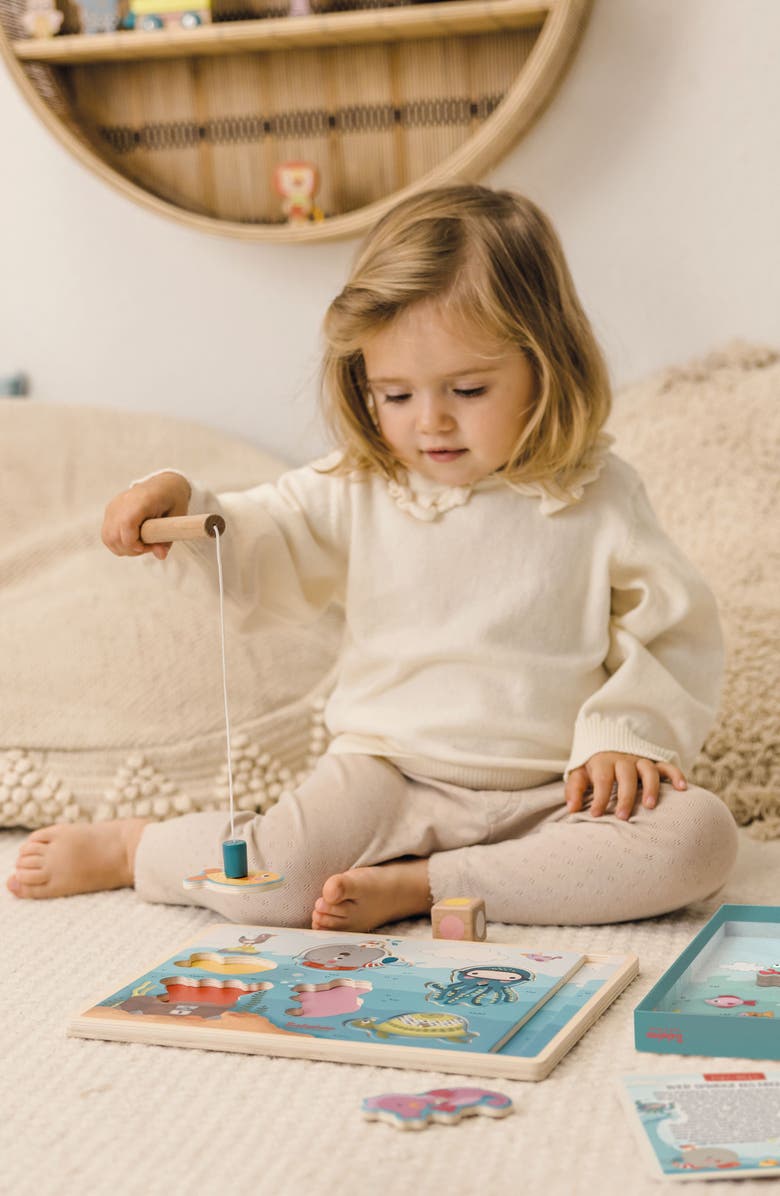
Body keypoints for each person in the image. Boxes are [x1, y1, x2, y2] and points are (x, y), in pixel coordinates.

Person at [6, 185, 738, 931]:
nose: (431, 422)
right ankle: (138, 850)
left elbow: (672, 628)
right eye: (394, 395)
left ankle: (427, 884)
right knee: (276, 885)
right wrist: (187, 503)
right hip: (386, 776)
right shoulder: (360, 485)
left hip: (555, 792)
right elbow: (266, 534)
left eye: (468, 387)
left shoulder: (597, 493)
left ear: (546, 364)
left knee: (699, 840)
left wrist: (622, 738)